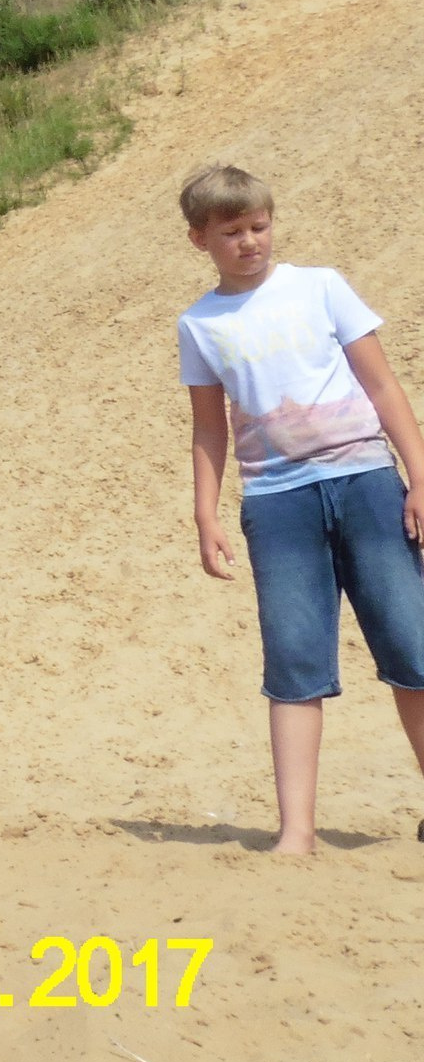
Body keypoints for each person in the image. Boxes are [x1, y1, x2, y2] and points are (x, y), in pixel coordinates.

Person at [177, 165, 424, 854]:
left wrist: (418, 475)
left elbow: (382, 385)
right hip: (275, 501)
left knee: (413, 644)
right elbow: (208, 427)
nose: (250, 241)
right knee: (293, 659)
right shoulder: (199, 324)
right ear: (200, 239)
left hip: (367, 482)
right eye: (231, 232)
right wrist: (206, 513)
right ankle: (297, 832)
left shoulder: (320, 286)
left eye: (259, 226)